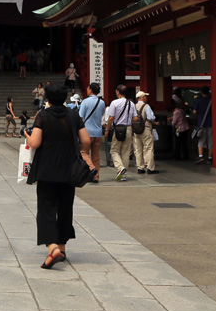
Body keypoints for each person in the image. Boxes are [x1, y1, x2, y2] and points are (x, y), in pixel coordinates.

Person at [24, 82, 93, 269]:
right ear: (64, 97)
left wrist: (27, 136)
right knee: (65, 208)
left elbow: (36, 142)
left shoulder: (43, 116)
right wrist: (77, 149)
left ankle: (52, 247)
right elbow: (86, 140)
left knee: (46, 208)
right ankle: (61, 249)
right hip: (69, 169)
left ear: (47, 97)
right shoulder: (73, 115)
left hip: (47, 169)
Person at [105, 84, 137, 181]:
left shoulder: (114, 103)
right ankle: (123, 175)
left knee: (114, 150)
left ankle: (120, 168)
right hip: (128, 128)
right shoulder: (131, 104)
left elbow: (111, 117)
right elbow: (135, 118)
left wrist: (107, 129)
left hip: (118, 128)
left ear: (118, 92)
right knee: (125, 152)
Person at [78, 83, 105, 181]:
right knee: (96, 155)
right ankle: (96, 177)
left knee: (84, 152)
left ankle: (91, 168)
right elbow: (102, 115)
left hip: (87, 132)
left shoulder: (85, 102)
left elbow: (81, 117)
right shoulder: (101, 102)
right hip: (98, 132)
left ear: (90, 90)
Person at [132, 90, 158, 175]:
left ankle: (140, 167)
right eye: (145, 96)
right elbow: (151, 117)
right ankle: (150, 168)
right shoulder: (146, 106)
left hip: (136, 130)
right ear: (142, 98)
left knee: (138, 149)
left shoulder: (133, 106)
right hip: (145, 129)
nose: (146, 98)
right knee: (149, 148)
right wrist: (154, 118)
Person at [194, 88, 213, 164]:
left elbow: (195, 111)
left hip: (201, 123)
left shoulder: (198, 100)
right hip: (211, 123)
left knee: (201, 140)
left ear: (201, 92)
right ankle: (210, 158)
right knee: (211, 140)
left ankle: (201, 156)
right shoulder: (211, 100)